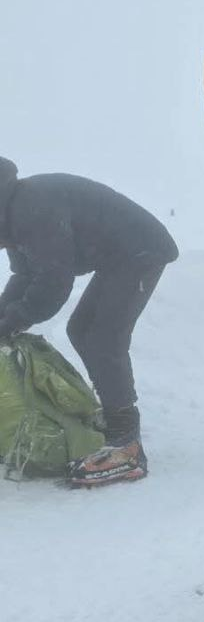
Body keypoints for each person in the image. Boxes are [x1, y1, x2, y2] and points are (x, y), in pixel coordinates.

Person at [0, 157, 177, 486]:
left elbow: (53, 283)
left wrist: (11, 323)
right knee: (81, 330)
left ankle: (127, 445)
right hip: (119, 255)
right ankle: (115, 419)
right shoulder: (11, 209)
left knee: (102, 338)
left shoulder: (29, 210)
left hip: (140, 249)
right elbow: (25, 275)